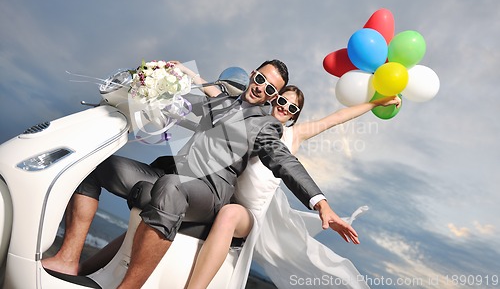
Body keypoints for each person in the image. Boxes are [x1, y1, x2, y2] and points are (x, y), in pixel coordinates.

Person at [42, 60, 359, 289]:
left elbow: (283, 160)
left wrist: (321, 204)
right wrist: (163, 82)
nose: (261, 88)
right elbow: (181, 107)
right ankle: (69, 257)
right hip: (173, 175)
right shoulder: (220, 98)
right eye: (260, 79)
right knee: (100, 166)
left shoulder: (267, 125)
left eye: (270, 90)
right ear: (253, 75)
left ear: (273, 98)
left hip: (208, 195)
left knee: (170, 187)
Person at [185, 85, 401, 289]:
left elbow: (337, 118)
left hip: (247, 214)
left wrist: (377, 102)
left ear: (293, 116)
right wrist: (183, 72)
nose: (284, 107)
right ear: (273, 99)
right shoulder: (248, 119)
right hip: (223, 197)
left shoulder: (293, 135)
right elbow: (218, 93)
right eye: (282, 100)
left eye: (292, 107)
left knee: (229, 214)